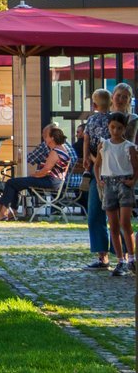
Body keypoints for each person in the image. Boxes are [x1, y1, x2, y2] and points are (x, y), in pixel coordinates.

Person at [0, 126, 72, 221]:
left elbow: (46, 170)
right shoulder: (64, 150)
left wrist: (34, 175)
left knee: (10, 182)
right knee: (16, 183)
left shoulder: (55, 152)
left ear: (52, 138)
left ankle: (3, 213)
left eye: (46, 137)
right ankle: (11, 211)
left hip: (50, 181)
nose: (45, 139)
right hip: (56, 182)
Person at [95, 113, 137, 275]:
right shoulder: (104, 145)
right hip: (109, 183)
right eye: (113, 127)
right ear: (108, 127)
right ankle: (120, 260)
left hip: (124, 183)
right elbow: (97, 164)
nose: (115, 131)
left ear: (124, 129)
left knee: (125, 222)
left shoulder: (129, 146)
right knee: (113, 224)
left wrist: (132, 181)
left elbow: (135, 165)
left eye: (119, 128)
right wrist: (99, 180)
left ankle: (131, 258)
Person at [80, 88, 116, 270]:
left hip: (99, 169)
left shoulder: (93, 119)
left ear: (94, 105)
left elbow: (86, 139)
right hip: (110, 168)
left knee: (96, 212)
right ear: (110, 103)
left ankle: (103, 255)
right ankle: (123, 254)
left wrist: (89, 158)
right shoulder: (114, 120)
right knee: (114, 213)